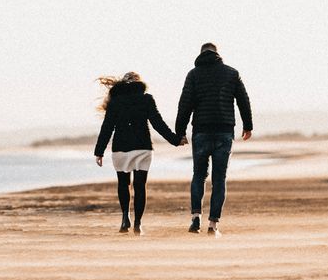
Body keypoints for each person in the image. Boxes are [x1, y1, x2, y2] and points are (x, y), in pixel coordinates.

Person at [175, 43, 253, 236]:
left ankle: (195, 219)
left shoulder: (193, 74)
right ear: (218, 54)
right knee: (219, 179)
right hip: (224, 131)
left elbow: (185, 104)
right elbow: (243, 100)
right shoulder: (231, 73)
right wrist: (248, 125)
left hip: (201, 131)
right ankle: (213, 225)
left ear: (201, 54)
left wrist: (180, 131)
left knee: (198, 176)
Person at [94, 72, 186, 234]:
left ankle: (125, 218)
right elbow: (158, 123)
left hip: (121, 148)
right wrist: (175, 140)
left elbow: (107, 127)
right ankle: (138, 224)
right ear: (139, 83)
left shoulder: (115, 101)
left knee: (123, 184)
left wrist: (99, 151)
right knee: (140, 185)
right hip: (142, 148)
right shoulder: (146, 99)